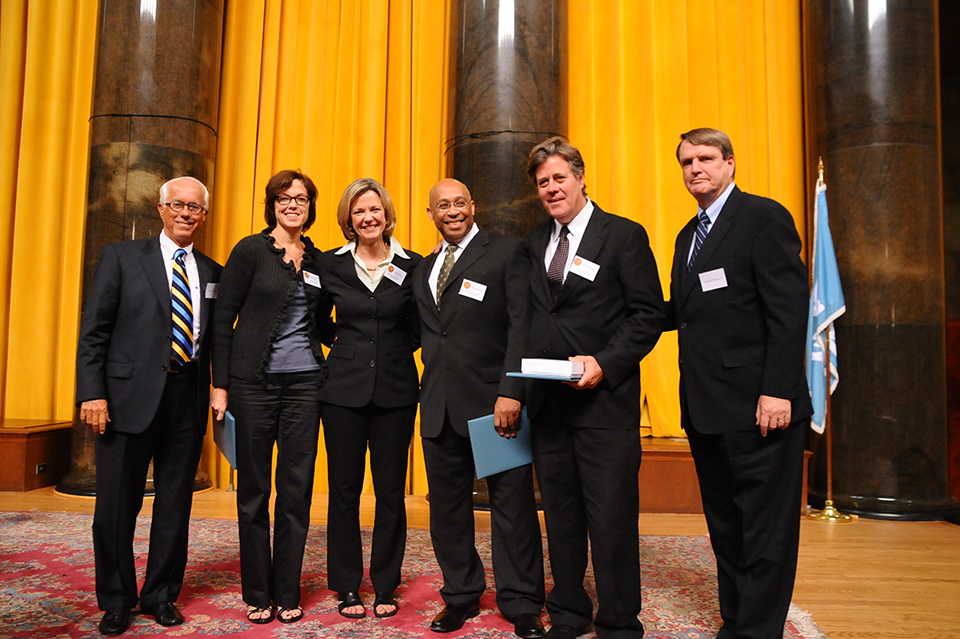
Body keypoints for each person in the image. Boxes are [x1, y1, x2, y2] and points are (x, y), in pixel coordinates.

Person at [665, 128, 812, 639]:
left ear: (730, 162)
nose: (695, 169)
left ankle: (758, 630)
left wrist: (779, 391)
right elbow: (679, 314)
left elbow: (790, 313)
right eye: (686, 162)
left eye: (705, 158)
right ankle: (737, 621)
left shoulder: (763, 217)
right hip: (706, 409)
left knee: (765, 529)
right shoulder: (688, 236)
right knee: (726, 525)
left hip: (760, 406)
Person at [524, 138, 664, 639]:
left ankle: (620, 622)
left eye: (559, 178)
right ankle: (568, 613)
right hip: (550, 409)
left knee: (611, 522)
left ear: (581, 178)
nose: (552, 188)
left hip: (605, 406)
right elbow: (530, 314)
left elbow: (649, 314)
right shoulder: (533, 240)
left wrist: (605, 363)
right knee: (561, 520)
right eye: (543, 182)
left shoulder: (623, 235)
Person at [76, 176, 223, 636]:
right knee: (116, 506)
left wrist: (220, 389)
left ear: (204, 215)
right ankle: (116, 600)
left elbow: (215, 340)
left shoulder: (212, 270)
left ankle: (160, 595)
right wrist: (91, 392)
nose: (186, 213)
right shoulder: (122, 257)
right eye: (177, 205)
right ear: (160, 208)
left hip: (187, 399)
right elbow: (94, 330)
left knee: (175, 504)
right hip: (124, 400)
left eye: (194, 208)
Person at [412, 179, 546, 638]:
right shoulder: (423, 267)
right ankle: (461, 596)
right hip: (438, 407)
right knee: (447, 510)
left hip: (495, 406)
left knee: (512, 507)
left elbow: (521, 326)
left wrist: (512, 391)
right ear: (430, 213)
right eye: (442, 206)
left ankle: (522, 602)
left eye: (459, 203)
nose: (452, 211)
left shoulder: (506, 252)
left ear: (473, 205)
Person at [212, 169, 332, 625]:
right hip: (252, 385)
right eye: (284, 198)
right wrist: (220, 384)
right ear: (272, 204)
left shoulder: (320, 260)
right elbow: (224, 317)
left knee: (296, 491)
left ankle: (287, 591)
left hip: (306, 387)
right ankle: (258, 592)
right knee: (254, 492)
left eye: (301, 198)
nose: (292, 204)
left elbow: (324, 327)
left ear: (310, 205)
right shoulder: (250, 250)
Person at [317, 178, 422, 619]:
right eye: (359, 211)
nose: (368, 218)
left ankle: (384, 585)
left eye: (375, 209)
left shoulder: (413, 264)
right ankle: (345, 585)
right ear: (348, 218)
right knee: (343, 491)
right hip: (341, 392)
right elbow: (318, 320)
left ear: (387, 213)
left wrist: (394, 350)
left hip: (397, 391)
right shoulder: (329, 265)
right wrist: (346, 347)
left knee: (390, 492)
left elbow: (423, 323)